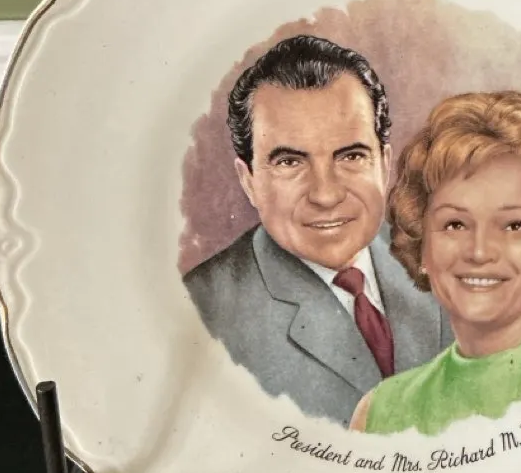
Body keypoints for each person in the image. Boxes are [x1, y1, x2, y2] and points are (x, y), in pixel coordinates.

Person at [183, 35, 450, 426]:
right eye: (290, 162)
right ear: (248, 180)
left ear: (383, 164)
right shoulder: (199, 314)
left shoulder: (448, 264)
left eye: (351, 156)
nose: (326, 194)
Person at [350, 90, 521, 436]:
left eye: (513, 226)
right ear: (423, 245)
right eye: (455, 224)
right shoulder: (380, 413)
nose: (480, 252)